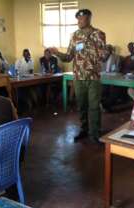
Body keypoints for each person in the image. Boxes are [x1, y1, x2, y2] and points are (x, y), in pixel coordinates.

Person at [49, 9, 108, 143]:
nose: (79, 21)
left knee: (94, 107)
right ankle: (84, 130)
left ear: (89, 18)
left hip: (93, 77)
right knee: (81, 106)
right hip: (78, 77)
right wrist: (57, 53)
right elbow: (69, 57)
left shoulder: (99, 34)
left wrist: (103, 50)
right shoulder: (75, 36)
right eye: (78, 19)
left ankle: (95, 133)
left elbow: (104, 57)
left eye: (82, 18)